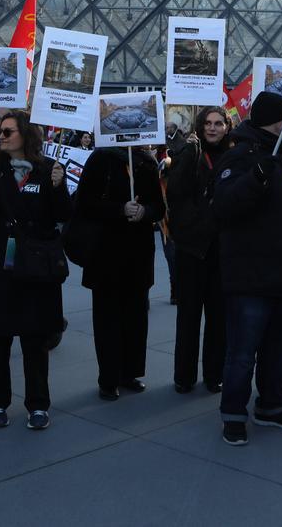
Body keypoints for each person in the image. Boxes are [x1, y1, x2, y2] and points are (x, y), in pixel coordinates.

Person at [212, 92, 282, 446]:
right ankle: (233, 414)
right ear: (277, 120)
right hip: (251, 275)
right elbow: (224, 204)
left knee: (277, 349)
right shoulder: (241, 157)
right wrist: (256, 176)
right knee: (242, 352)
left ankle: (271, 405)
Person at [0, 111, 70, 431]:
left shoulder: (47, 170)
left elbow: (64, 213)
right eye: (0, 130)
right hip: (1, 262)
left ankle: (38, 404)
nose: (2, 135)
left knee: (35, 340)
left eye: (9, 130)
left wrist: (58, 186)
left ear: (26, 134)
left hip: (35, 265)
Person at [74, 141, 165, 400]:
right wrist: (120, 209)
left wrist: (144, 212)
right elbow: (85, 203)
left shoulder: (146, 163)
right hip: (106, 253)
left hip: (138, 254)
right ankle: (109, 377)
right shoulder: (101, 159)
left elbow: (159, 206)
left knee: (136, 316)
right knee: (107, 318)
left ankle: (130, 372)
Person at [166, 106, 231, 394]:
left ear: (227, 126)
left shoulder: (234, 156)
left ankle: (214, 374)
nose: (213, 128)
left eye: (219, 123)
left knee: (219, 319)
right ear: (200, 126)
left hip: (222, 250)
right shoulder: (191, 154)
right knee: (188, 317)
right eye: (208, 123)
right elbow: (176, 195)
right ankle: (184, 376)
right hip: (193, 249)